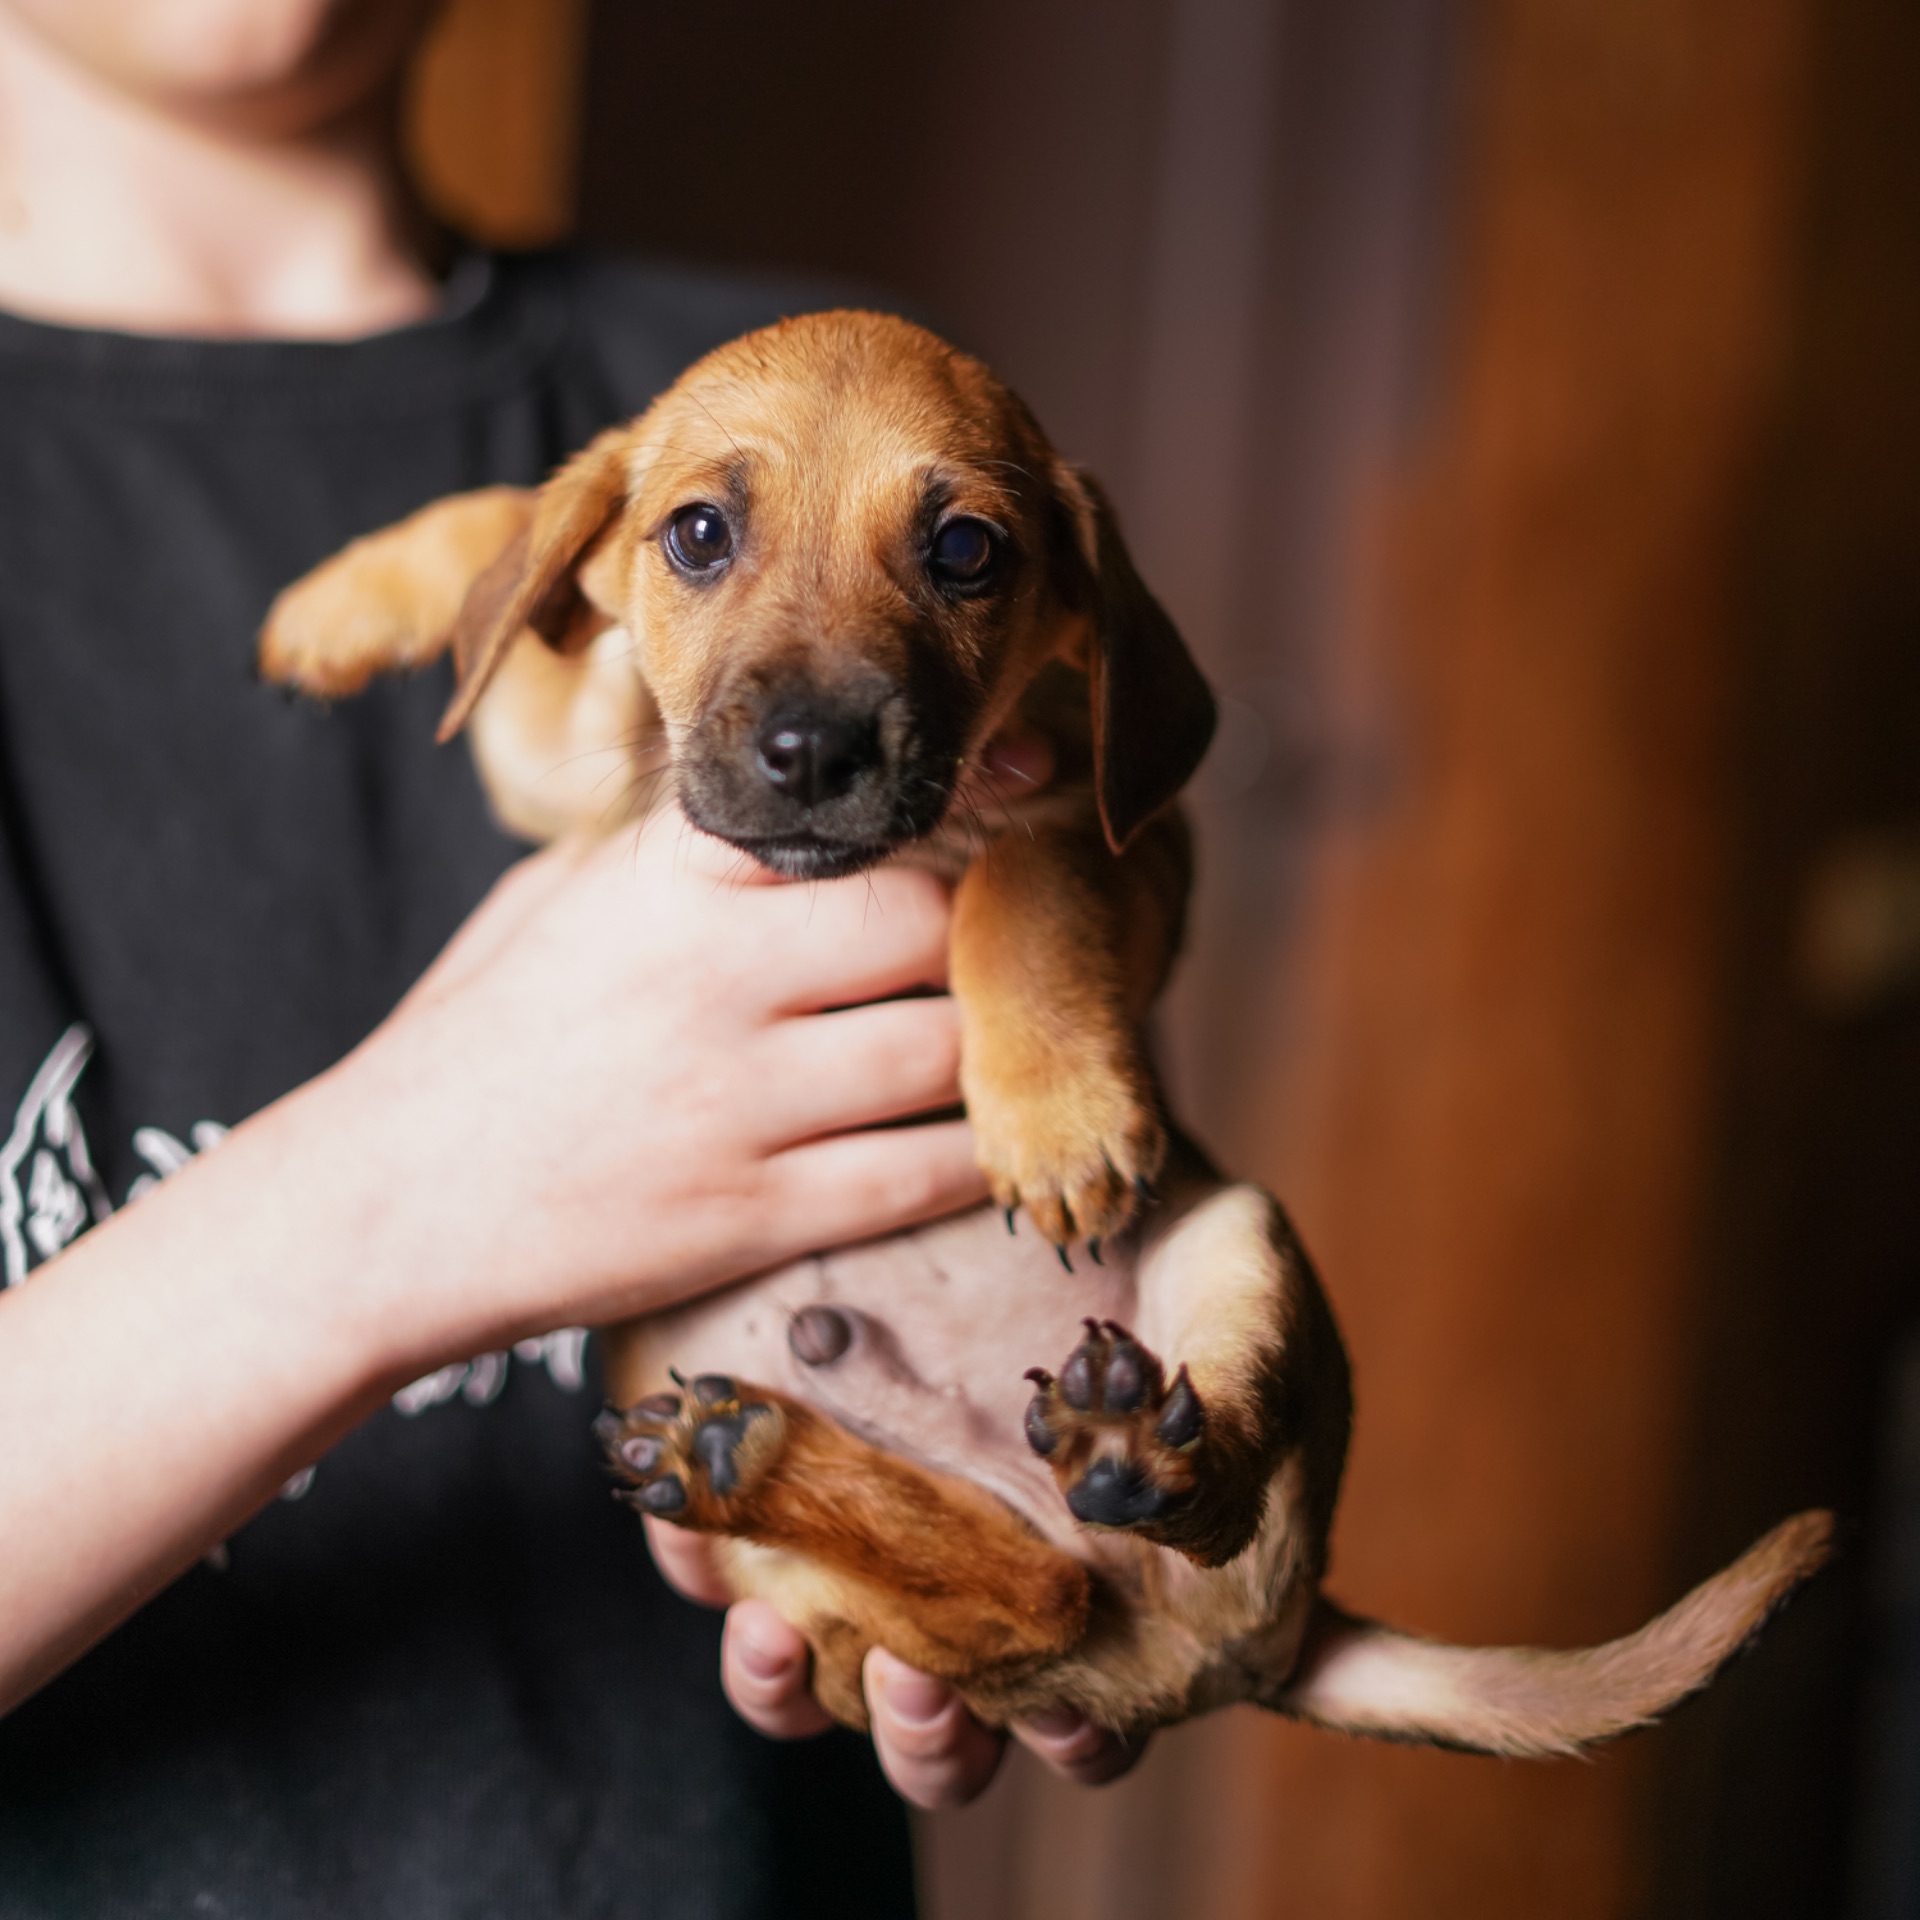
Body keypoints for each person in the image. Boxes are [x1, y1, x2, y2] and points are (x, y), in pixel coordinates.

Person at [0, 2, 1139, 1912]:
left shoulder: (825, 408)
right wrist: (403, 1200)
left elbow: (1066, 1054)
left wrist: (1050, 1471)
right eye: (697, 540)